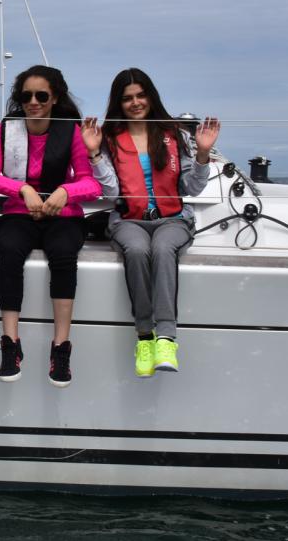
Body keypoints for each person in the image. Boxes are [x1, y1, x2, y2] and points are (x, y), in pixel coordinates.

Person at [82, 68, 220, 377]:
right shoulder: (109, 139)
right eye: (127, 98)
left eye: (141, 95)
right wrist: (94, 154)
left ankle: (166, 339)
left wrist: (203, 154)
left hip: (173, 220)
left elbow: (192, 188)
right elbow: (111, 192)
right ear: (118, 103)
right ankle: (145, 337)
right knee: (136, 250)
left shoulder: (175, 135)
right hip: (129, 220)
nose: (135, 103)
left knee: (162, 249)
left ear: (151, 97)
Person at [0, 65, 100, 388]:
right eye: (26, 96)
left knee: (63, 253)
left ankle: (61, 346)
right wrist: (22, 189)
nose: (33, 102)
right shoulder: (7, 129)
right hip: (20, 212)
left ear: (54, 98)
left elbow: (91, 183)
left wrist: (66, 191)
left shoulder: (71, 131)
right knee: (8, 250)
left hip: (63, 215)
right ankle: (10, 343)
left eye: (41, 96)